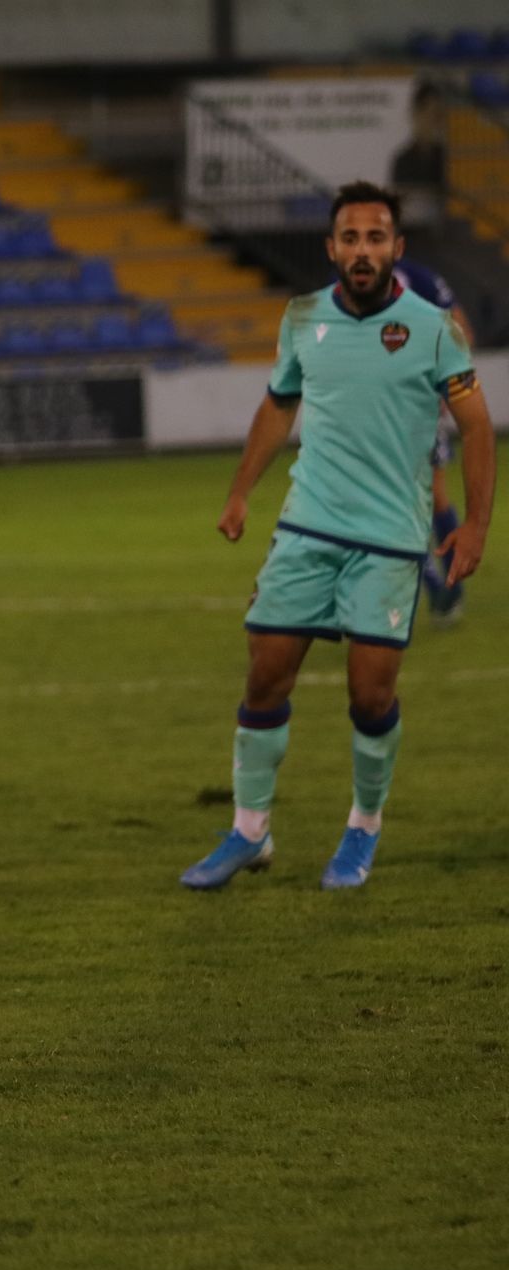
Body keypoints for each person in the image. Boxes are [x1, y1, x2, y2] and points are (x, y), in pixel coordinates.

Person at [181, 180, 493, 894]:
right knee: (264, 674)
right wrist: (238, 493)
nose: (362, 251)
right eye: (350, 238)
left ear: (397, 249)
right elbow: (277, 404)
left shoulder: (434, 327)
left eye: (375, 238)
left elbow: (476, 427)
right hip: (306, 527)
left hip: (389, 540)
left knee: (370, 696)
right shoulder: (301, 318)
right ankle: (248, 832)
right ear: (331, 248)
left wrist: (474, 525)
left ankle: (363, 827)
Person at [393, 255, 478, 622]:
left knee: (430, 497)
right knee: (398, 503)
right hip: (374, 411)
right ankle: (437, 589)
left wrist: (447, 383)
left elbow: (461, 329)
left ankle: (447, 587)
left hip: (418, 404)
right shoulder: (345, 285)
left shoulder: (417, 277)